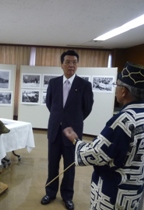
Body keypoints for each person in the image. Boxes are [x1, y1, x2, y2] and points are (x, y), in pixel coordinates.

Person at [63, 62, 144, 210]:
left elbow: (95, 153)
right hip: (134, 191)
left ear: (124, 91)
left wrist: (75, 140)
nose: (116, 89)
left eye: (117, 85)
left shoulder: (123, 120)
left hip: (115, 194)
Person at [41, 50, 94, 210]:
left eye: (74, 62)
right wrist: (60, 119)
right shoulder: (53, 83)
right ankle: (50, 193)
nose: (71, 65)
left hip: (73, 134)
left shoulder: (84, 85)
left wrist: (73, 121)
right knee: (52, 164)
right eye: (68, 62)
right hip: (55, 131)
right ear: (61, 64)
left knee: (70, 166)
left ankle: (67, 196)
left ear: (77, 65)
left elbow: (87, 108)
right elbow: (50, 104)